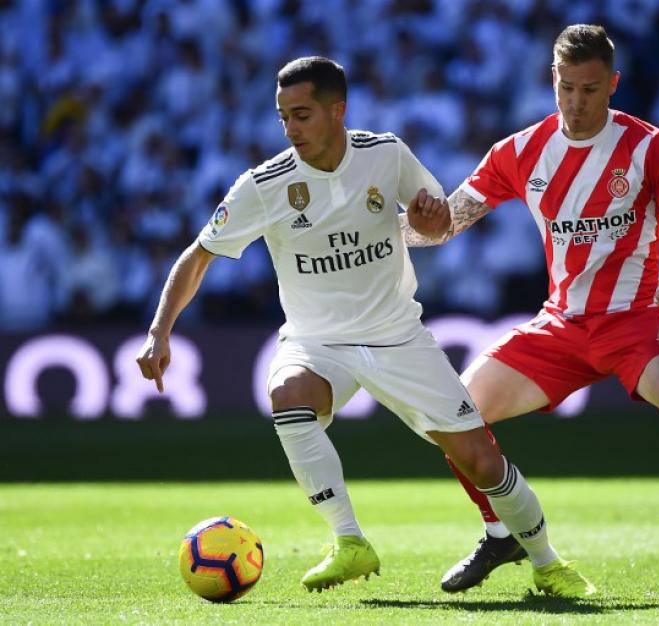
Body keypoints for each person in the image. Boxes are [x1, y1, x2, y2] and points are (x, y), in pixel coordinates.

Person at [135, 56, 594, 597]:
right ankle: (349, 540)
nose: (290, 129)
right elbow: (198, 256)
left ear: (338, 111)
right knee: (288, 396)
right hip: (317, 342)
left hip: (398, 336)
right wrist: (159, 331)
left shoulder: (386, 154)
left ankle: (546, 562)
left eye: (302, 115)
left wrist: (430, 222)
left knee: (482, 462)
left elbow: (439, 222)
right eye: (283, 117)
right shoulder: (264, 184)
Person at [402, 25, 659, 593]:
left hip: (636, 317)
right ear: (552, 80)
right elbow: (445, 225)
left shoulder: (649, 147)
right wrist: (411, 227)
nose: (576, 103)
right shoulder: (520, 151)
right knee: (451, 418)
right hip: (560, 325)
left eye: (590, 90)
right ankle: (500, 532)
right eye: (566, 88)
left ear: (614, 84)